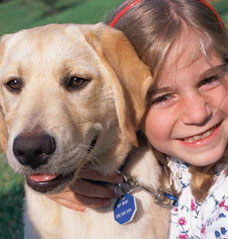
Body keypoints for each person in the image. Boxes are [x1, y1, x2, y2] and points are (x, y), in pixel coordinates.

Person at [47, 0, 228, 238]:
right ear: (127, 107)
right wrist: (57, 181)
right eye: (163, 97)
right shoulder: (148, 152)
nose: (197, 113)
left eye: (208, 80)